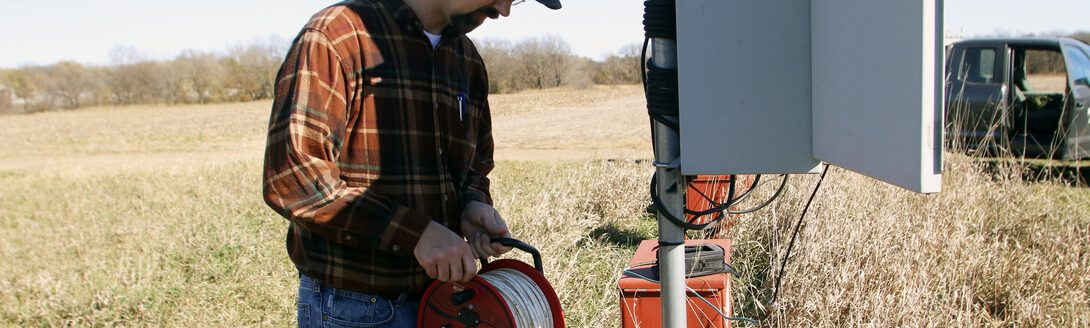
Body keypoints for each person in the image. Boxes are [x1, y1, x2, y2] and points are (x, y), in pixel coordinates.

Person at [262, 0, 561, 326]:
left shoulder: (466, 59)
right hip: (355, 307)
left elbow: (476, 165)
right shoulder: (337, 36)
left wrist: (471, 205)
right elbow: (294, 179)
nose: (504, 10)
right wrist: (416, 234)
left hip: (442, 304)